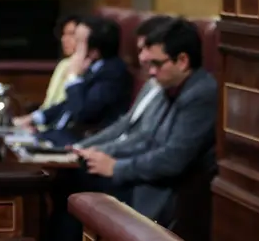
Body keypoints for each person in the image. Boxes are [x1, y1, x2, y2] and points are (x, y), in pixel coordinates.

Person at [43, 18, 217, 241]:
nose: (149, 72)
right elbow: (139, 134)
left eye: (156, 64)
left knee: (74, 188)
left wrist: (115, 166)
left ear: (183, 60)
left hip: (161, 192)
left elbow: (172, 158)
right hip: (140, 176)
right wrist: (96, 153)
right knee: (67, 184)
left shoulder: (200, 93)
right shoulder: (169, 83)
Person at [13, 16, 133, 146]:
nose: (72, 43)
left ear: (94, 52)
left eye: (79, 41)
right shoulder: (93, 66)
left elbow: (81, 113)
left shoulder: (113, 73)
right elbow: (67, 104)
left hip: (76, 143)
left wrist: (73, 77)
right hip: (57, 134)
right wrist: (33, 118)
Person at [72, 14, 173, 154]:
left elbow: (145, 138)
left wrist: (98, 153)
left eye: (147, 49)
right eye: (139, 50)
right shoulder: (151, 83)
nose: (142, 58)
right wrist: (79, 148)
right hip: (110, 151)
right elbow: (125, 122)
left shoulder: (172, 88)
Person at [30, 14, 81, 128]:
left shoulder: (85, 67)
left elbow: (67, 107)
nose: (64, 39)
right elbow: (49, 103)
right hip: (42, 125)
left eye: (71, 34)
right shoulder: (63, 64)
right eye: (64, 34)